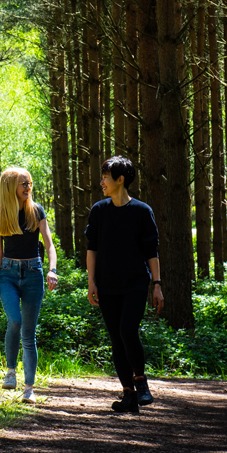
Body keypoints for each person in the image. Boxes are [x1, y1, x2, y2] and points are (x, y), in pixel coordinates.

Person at [84, 156, 164, 413]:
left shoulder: (142, 211)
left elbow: (151, 251)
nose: (101, 182)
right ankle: (128, 394)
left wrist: (157, 284)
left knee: (128, 330)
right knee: (116, 339)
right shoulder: (99, 210)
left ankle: (141, 383)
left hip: (135, 283)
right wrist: (91, 283)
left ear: (121, 180)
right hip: (106, 285)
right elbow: (92, 249)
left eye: (106, 177)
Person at [0, 167, 58, 404]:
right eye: (23, 184)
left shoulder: (36, 211)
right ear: (10, 187)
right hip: (7, 274)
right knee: (15, 321)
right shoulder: (0, 214)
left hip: (33, 273)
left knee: (28, 334)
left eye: (29, 183)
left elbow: (49, 245)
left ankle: (29, 388)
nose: (28, 187)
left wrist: (52, 269)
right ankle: (10, 372)